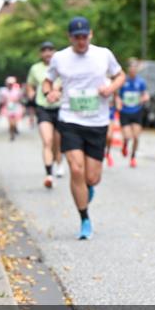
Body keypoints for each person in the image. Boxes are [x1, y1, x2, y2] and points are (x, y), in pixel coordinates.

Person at [42, 16, 124, 240]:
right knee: (75, 169)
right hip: (70, 120)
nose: (81, 41)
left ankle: (87, 189)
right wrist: (50, 92)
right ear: (69, 38)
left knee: (92, 177)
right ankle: (85, 219)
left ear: (91, 34)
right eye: (76, 37)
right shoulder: (60, 58)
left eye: (84, 36)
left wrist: (111, 88)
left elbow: (120, 75)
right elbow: (47, 81)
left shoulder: (103, 54)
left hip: (97, 122)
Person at [26, 41, 65, 188]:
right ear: (40, 54)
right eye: (44, 50)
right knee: (47, 141)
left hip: (60, 108)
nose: (47, 53)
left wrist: (60, 91)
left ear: (55, 52)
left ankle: (59, 162)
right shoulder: (35, 68)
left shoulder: (62, 66)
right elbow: (29, 83)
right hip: (43, 108)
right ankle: (49, 174)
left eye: (50, 50)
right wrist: (30, 92)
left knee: (58, 142)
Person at [115, 58, 150, 168]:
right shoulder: (123, 81)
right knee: (127, 136)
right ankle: (125, 145)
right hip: (125, 112)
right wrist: (119, 102)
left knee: (136, 137)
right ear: (128, 69)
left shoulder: (141, 82)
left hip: (137, 111)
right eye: (131, 68)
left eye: (135, 68)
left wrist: (144, 98)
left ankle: (133, 157)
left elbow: (145, 94)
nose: (133, 70)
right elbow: (117, 95)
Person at [0, 76, 25, 141]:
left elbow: (20, 99)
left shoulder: (17, 91)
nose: (10, 85)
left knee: (14, 122)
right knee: (10, 123)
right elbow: (2, 100)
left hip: (16, 108)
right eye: (9, 83)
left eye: (11, 84)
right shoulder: (4, 91)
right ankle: (12, 134)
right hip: (8, 108)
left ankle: (14, 130)